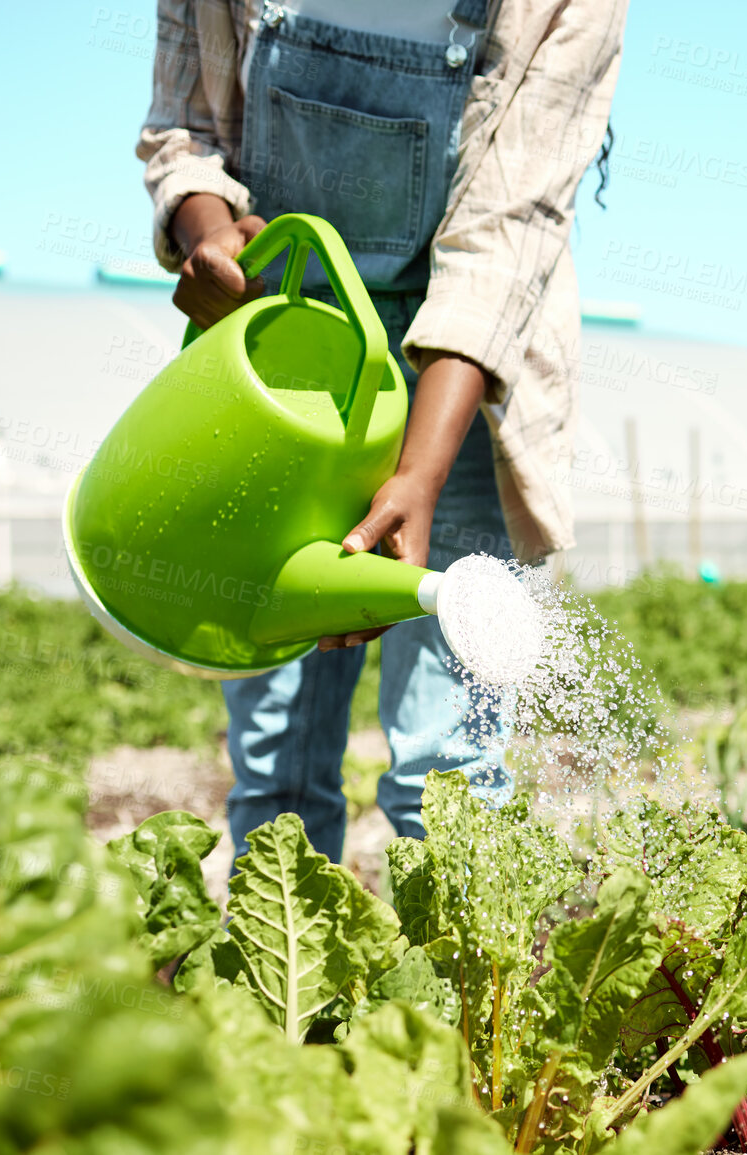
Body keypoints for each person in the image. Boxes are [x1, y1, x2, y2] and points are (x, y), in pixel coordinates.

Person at [137, 0, 626, 869]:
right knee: (275, 769)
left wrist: (420, 474)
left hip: (462, 391)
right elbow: (185, 131)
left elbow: (504, 233)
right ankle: (284, 1001)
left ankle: (457, 1009)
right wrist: (208, 236)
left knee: (447, 773)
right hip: (286, 368)